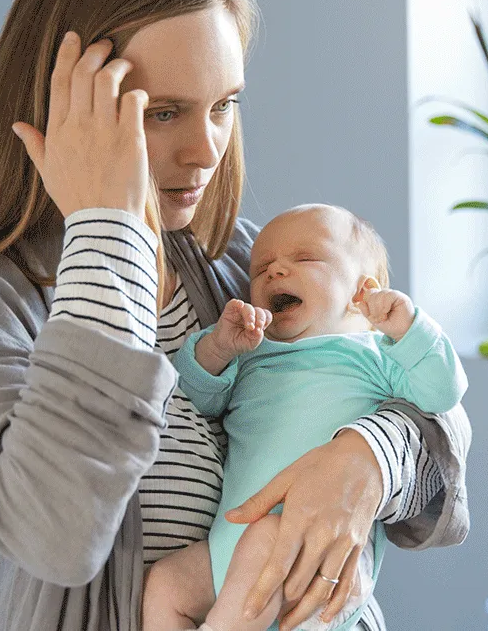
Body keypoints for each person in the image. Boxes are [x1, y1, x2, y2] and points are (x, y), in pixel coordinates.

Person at [0, 0, 472, 631]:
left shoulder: (236, 269)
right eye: (163, 113)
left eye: (224, 106)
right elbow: (56, 537)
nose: (206, 149)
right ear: (61, 114)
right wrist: (106, 231)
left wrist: (366, 461)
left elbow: (439, 459)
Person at [141, 205, 467, 631]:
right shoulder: (251, 352)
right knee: (166, 584)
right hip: (227, 549)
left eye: (305, 258)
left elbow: (441, 395)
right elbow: (191, 400)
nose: (275, 271)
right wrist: (218, 349)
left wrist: (411, 329)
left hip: (314, 555)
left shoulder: (376, 354)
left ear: (362, 290)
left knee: (266, 538)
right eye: (260, 269)